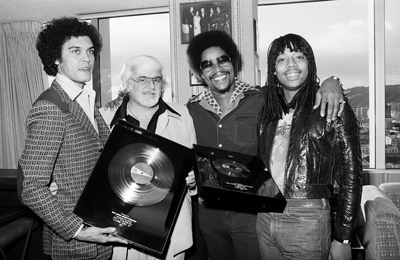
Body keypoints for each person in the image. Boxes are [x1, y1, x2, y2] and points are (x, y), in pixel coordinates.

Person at [185, 30, 345, 260]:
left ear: (233, 61)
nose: (217, 68)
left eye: (223, 60)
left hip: (251, 213)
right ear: (201, 73)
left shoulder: (263, 98)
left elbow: (298, 83)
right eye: (207, 64)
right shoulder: (191, 109)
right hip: (209, 213)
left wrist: (332, 81)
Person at [17, 17, 126, 260]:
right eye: (75, 51)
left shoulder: (86, 100)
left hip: (100, 238)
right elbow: (31, 187)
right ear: (56, 58)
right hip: (74, 246)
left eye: (90, 51)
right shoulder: (51, 107)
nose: (87, 59)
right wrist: (79, 230)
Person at [257, 33, 362, 260]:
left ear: (310, 64)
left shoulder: (332, 106)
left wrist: (343, 237)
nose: (291, 64)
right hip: (265, 217)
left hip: (308, 217)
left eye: (299, 56)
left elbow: (351, 175)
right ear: (273, 70)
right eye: (282, 59)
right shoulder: (267, 108)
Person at [99, 55, 197, 260]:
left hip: (169, 227)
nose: (151, 86)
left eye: (157, 79)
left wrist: (194, 179)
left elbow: (194, 165)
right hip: (120, 228)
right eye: (142, 79)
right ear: (126, 84)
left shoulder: (182, 116)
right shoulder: (103, 118)